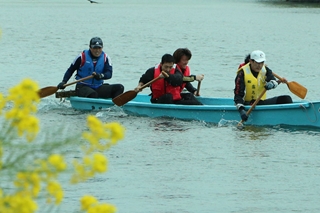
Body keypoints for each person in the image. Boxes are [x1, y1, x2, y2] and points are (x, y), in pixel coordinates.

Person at [234, 50, 293, 121]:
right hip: (248, 104)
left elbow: (273, 80)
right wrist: (241, 111)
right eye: (257, 63)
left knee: (286, 99)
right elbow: (238, 96)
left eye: (262, 63)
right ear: (251, 61)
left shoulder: (265, 70)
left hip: (261, 102)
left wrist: (272, 84)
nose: (259, 66)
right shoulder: (242, 74)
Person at [57, 37, 124, 99]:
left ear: (102, 48)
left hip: (98, 87)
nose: (97, 51)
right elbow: (70, 70)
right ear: (90, 48)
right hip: (82, 86)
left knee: (119, 87)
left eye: (99, 48)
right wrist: (64, 82)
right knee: (93, 94)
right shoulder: (81, 57)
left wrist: (100, 76)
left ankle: (114, 107)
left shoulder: (106, 58)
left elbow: (109, 74)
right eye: (95, 48)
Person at [134, 54, 202, 105]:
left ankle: (201, 108)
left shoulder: (176, 70)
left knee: (189, 96)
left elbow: (178, 80)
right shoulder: (152, 71)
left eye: (170, 67)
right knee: (168, 96)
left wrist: (167, 76)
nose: (168, 69)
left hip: (175, 100)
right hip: (158, 101)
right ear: (161, 64)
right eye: (166, 67)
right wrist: (139, 86)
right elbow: (143, 80)